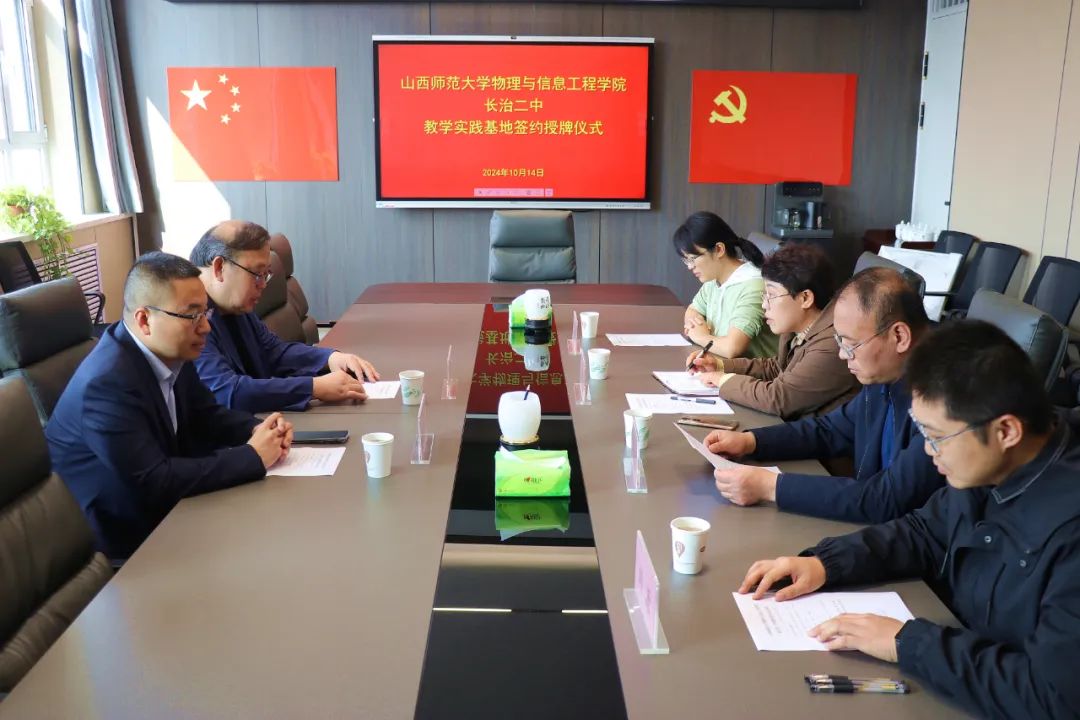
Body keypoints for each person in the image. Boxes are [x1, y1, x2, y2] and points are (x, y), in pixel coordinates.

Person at [738, 320, 1080, 719]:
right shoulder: (992, 465)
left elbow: (1052, 696)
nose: (929, 452)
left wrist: (908, 642)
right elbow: (925, 531)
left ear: (1006, 431)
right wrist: (826, 563)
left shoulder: (1069, 528)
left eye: (936, 437)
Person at [46, 252, 292, 560]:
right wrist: (252, 456)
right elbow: (155, 481)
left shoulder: (170, 350)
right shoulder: (106, 384)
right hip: (128, 544)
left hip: (173, 512)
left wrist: (258, 429)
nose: (205, 327)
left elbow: (206, 416)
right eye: (192, 316)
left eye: (205, 313)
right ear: (145, 320)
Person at [703, 267, 944, 523]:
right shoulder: (885, 373)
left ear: (899, 336)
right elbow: (832, 430)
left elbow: (887, 498)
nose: (842, 355)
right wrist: (751, 441)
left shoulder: (942, 401)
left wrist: (772, 487)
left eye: (850, 344)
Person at [190, 220, 381, 413]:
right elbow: (228, 392)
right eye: (256, 274)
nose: (263, 285)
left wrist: (330, 358)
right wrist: (313, 387)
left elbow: (274, 352)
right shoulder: (189, 317)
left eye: (266, 274)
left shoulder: (233, 305)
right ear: (219, 268)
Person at [689, 242, 859, 419]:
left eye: (772, 295)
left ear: (805, 298)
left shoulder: (833, 343)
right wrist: (719, 365)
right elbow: (778, 368)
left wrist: (722, 380)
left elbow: (779, 398)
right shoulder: (797, 326)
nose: (764, 305)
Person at [674, 211, 778, 359]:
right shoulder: (714, 279)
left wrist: (699, 336)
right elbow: (693, 310)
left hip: (752, 371)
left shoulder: (753, 286)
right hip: (720, 364)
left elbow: (732, 348)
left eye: (692, 259)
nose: (690, 266)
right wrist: (695, 324)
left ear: (719, 250)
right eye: (686, 260)